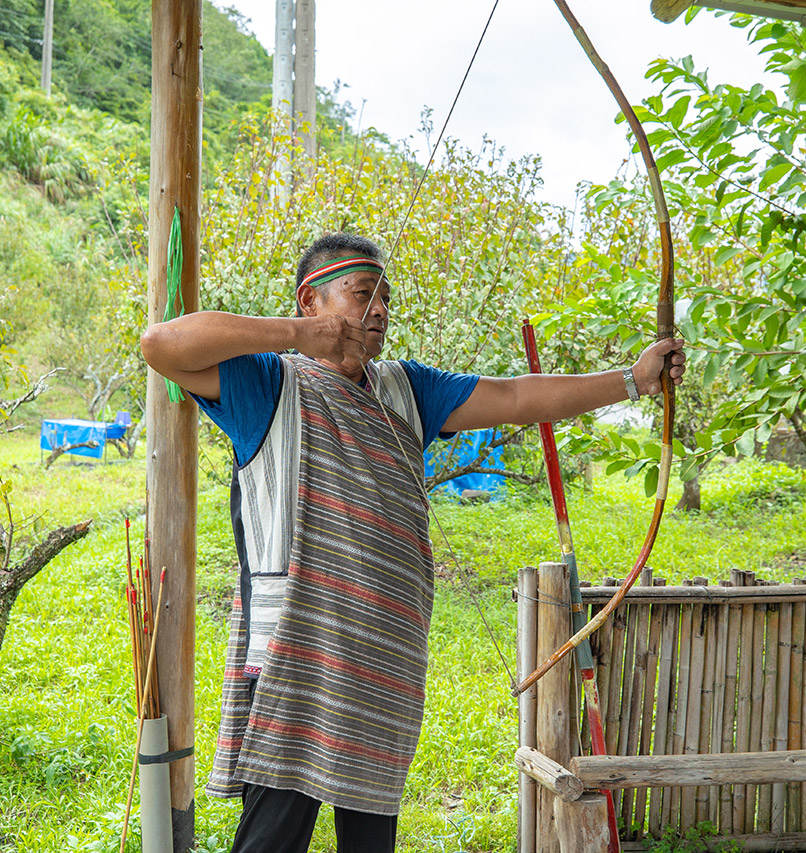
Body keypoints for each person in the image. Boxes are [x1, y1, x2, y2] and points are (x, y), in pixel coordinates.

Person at [140, 232, 685, 853]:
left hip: (383, 659)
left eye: (385, 300)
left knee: (370, 840)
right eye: (362, 294)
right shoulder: (268, 383)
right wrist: (292, 335)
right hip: (300, 650)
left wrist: (632, 380)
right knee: (272, 839)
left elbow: (513, 397)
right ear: (310, 302)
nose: (378, 312)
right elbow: (160, 345)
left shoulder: (403, 387)